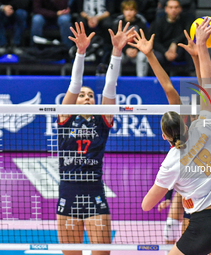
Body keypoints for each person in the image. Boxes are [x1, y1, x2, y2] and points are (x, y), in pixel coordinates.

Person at [132, 17, 211, 255]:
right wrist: (199, 53)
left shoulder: (171, 162)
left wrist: (151, 55)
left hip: (205, 220)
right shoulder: (207, 124)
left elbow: (146, 205)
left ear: (164, 136)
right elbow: (207, 84)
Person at [56, 21, 135, 255]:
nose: (87, 97)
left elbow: (110, 86)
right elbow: (75, 83)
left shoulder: (103, 121)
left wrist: (117, 52)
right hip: (68, 192)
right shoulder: (65, 118)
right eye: (82, 96)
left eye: (91, 95)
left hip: (94, 193)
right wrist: (81, 53)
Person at [151, 0, 194, 75]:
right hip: (163, 50)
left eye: (176, 7)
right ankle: (158, 79)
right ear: (166, 9)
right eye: (171, 7)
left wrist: (175, 43)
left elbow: (187, 34)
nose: (173, 10)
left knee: (190, 46)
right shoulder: (158, 22)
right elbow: (155, 42)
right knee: (156, 56)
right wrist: (165, 52)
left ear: (180, 9)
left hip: (179, 49)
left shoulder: (186, 20)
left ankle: (190, 75)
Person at [113, 0, 149, 77]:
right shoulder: (118, 23)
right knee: (115, 55)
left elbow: (145, 40)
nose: (129, 13)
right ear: (122, 11)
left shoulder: (141, 23)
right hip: (122, 50)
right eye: (126, 10)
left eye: (131, 10)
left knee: (142, 56)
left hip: (137, 51)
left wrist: (136, 49)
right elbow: (114, 41)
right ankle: (115, 80)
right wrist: (126, 50)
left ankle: (141, 80)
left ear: (136, 11)